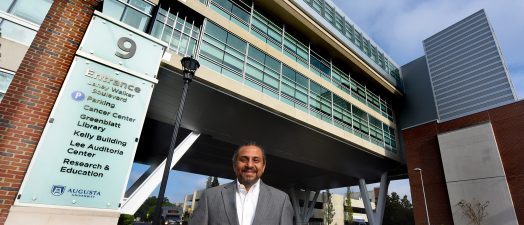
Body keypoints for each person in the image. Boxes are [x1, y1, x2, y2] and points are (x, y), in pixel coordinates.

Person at [188, 143, 294, 225]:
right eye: (244, 159)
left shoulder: (281, 200)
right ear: (234, 165)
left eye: (256, 160)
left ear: (263, 167)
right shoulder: (210, 197)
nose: (250, 165)